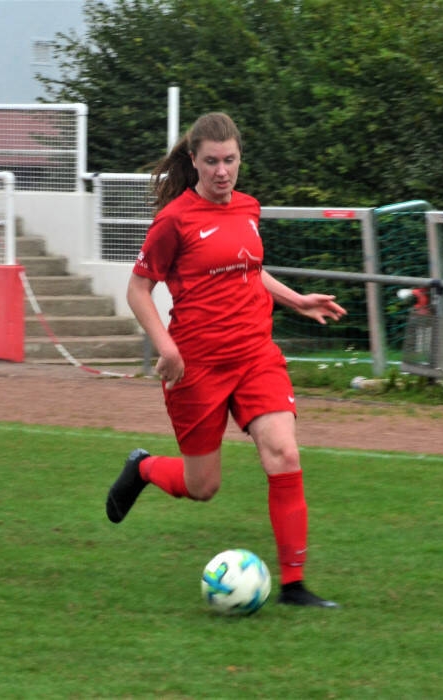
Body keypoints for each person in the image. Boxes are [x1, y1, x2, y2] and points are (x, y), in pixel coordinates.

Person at [106, 112, 347, 608]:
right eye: (212, 161)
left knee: (284, 454)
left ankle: (294, 586)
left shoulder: (249, 207)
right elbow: (138, 289)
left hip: (256, 354)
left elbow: (248, 268)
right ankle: (144, 467)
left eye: (230, 160)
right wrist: (166, 347)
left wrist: (296, 300)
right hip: (197, 366)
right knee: (203, 486)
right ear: (194, 161)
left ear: (240, 159)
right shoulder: (174, 220)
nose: (222, 171)